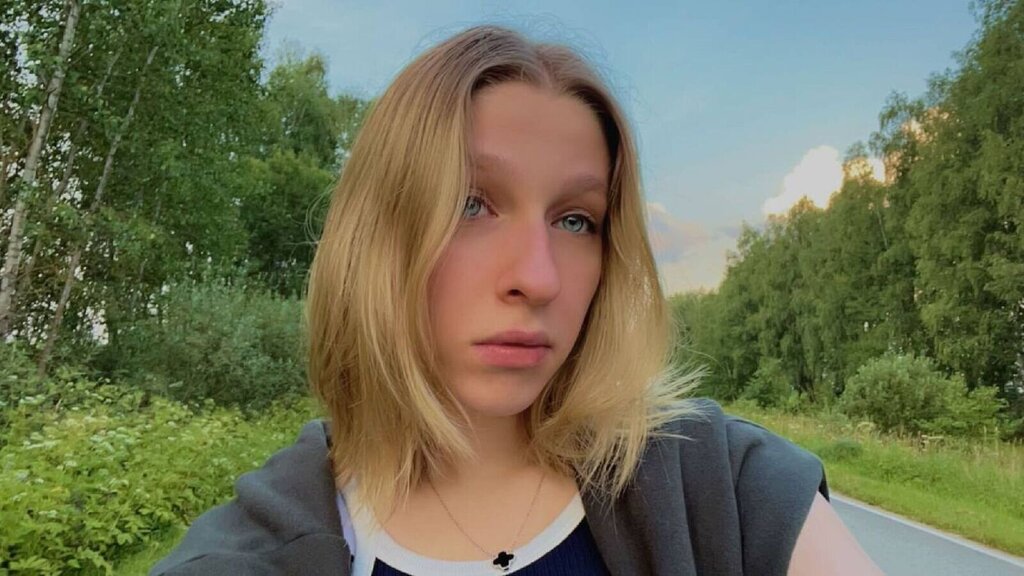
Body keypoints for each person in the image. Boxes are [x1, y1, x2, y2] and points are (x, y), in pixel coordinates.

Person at [151, 25, 883, 576]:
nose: (538, 278)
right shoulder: (246, 553)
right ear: (377, 235)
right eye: (471, 204)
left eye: (576, 221)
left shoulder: (718, 484)